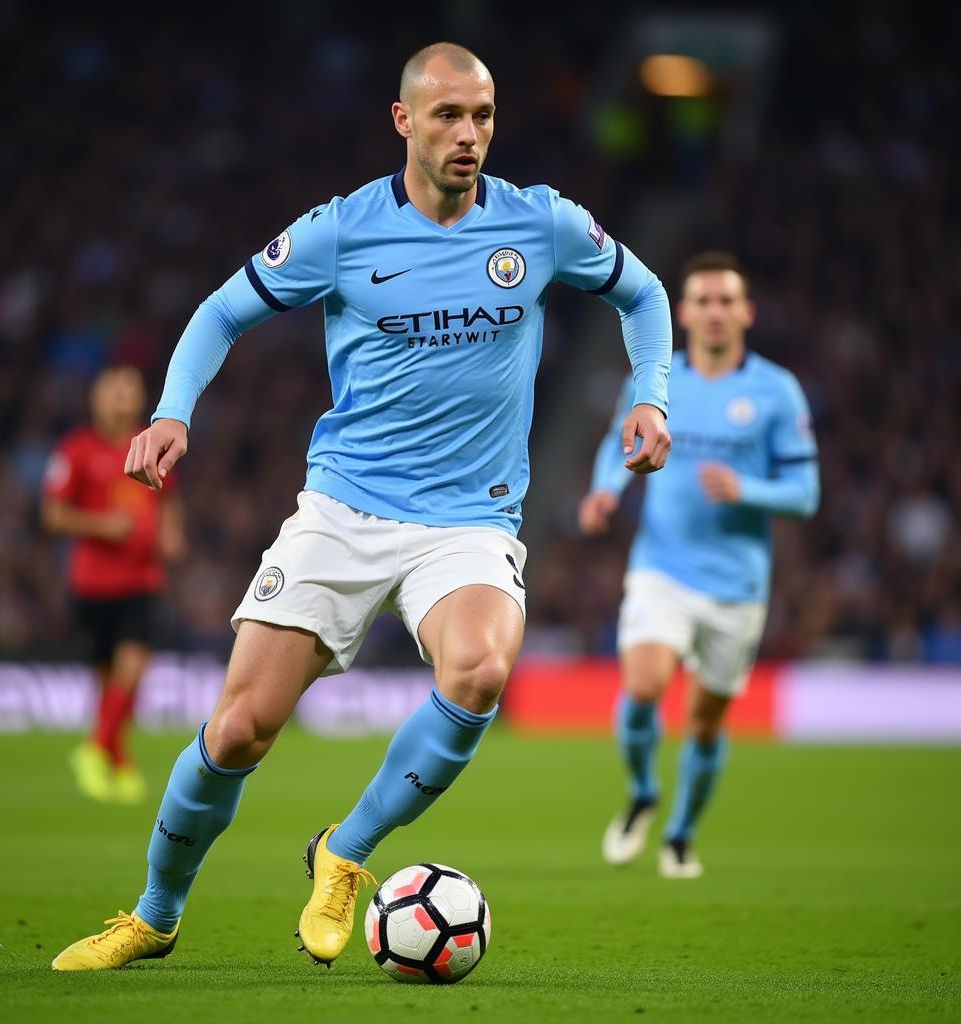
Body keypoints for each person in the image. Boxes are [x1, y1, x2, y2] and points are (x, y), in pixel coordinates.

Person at [51, 41, 673, 972]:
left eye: (484, 117)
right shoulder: (341, 232)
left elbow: (644, 293)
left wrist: (651, 393)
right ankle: (154, 914)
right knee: (236, 731)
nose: (470, 136)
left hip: (469, 520)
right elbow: (221, 311)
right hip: (345, 510)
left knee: (480, 672)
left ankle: (344, 852)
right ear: (404, 122)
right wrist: (174, 412)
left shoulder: (540, 224)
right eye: (449, 117)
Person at [579, 251, 819, 878]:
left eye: (725, 301)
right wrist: (607, 489)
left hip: (737, 586)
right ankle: (642, 793)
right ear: (682, 313)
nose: (714, 312)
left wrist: (749, 491)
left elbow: (805, 493)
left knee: (705, 722)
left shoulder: (775, 391)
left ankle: (680, 834)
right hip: (662, 568)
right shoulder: (659, 383)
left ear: (746, 312)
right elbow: (618, 441)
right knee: (643, 687)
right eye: (703, 302)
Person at [42, 365, 186, 804]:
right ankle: (118, 761)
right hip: (91, 582)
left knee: (134, 666)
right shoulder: (75, 451)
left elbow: (169, 498)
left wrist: (171, 531)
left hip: (141, 578)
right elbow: (53, 515)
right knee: (109, 680)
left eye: (130, 391)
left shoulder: (151, 446)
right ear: (96, 399)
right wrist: (103, 525)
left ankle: (93, 747)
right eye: (115, 391)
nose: (123, 399)